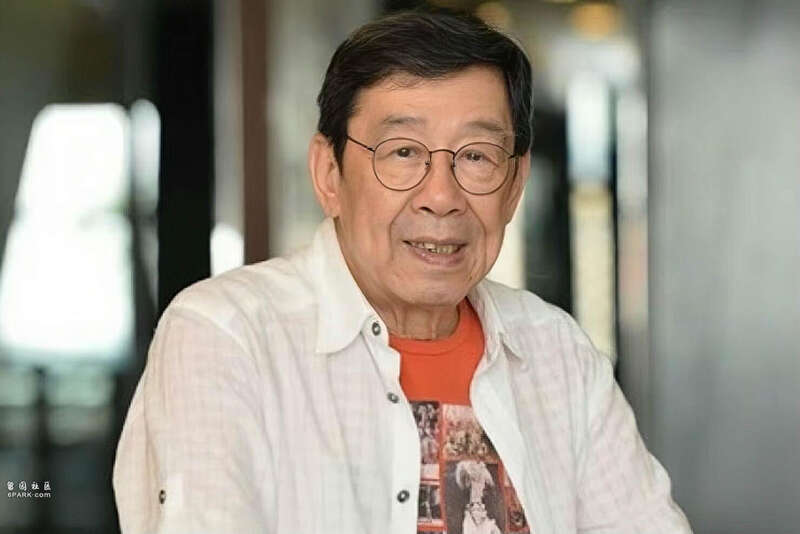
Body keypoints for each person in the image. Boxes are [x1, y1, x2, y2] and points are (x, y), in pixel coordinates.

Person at [112, 9, 692, 534]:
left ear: (515, 186)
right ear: (329, 174)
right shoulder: (228, 334)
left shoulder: (557, 352)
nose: (441, 197)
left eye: (476, 156)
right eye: (404, 152)